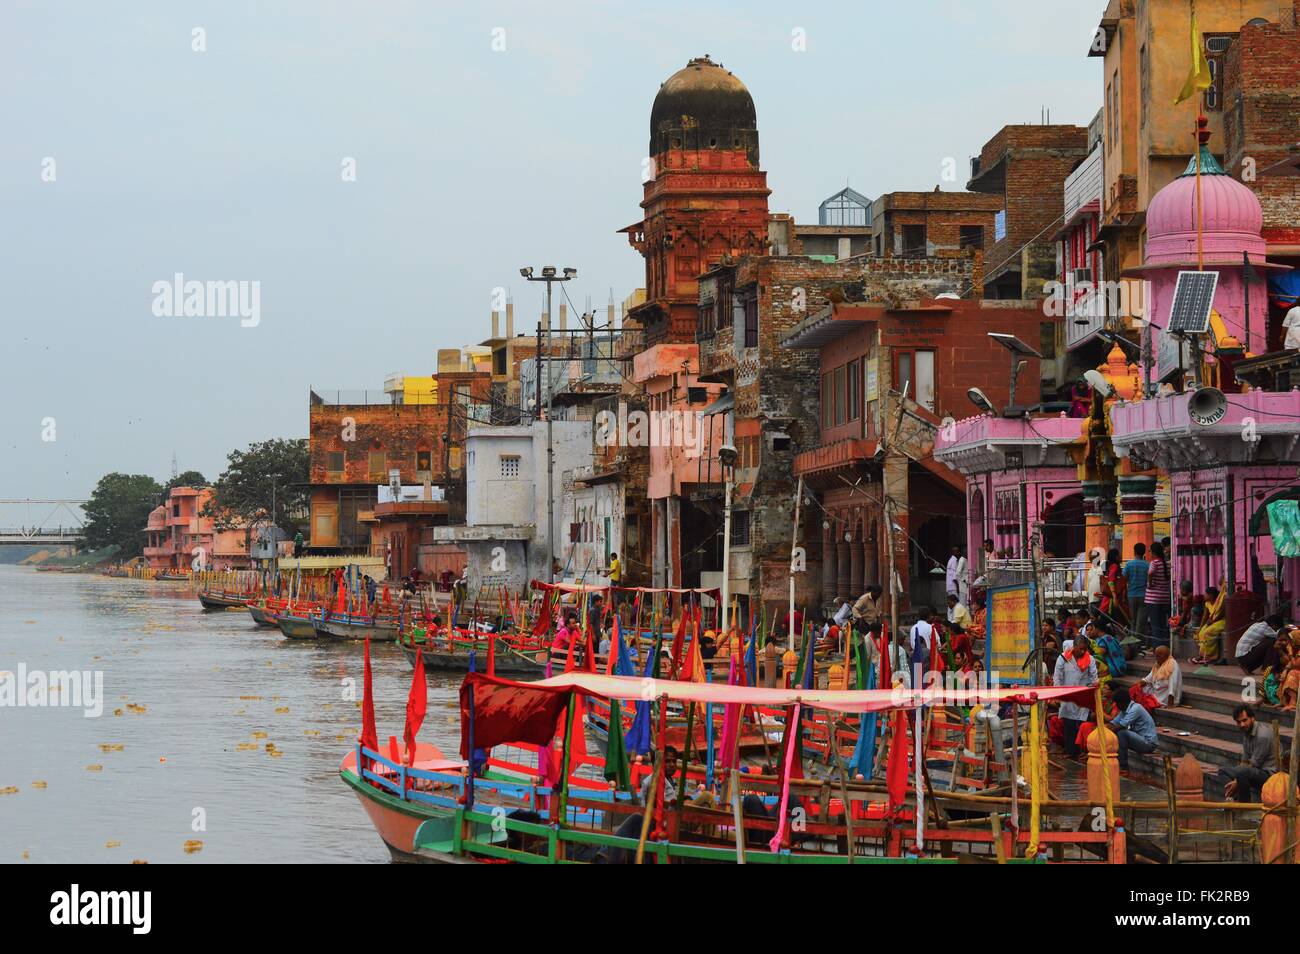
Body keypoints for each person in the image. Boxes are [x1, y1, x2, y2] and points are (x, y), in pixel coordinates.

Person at [1219, 705, 1277, 802]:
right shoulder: (1247, 731)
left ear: (1252, 718)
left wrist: (1237, 780)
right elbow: (1245, 761)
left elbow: (1254, 764)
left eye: (1244, 720)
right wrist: (1236, 780)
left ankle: (1245, 807)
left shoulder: (1263, 735)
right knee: (1223, 771)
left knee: (1242, 773)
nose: (1242, 724)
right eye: (1238, 722)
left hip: (1268, 775)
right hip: (1252, 772)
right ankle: (1232, 798)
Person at [1052, 634, 1098, 757]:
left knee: (1082, 724)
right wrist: (1058, 694)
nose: (1082, 651)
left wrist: (1094, 687)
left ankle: (1084, 752)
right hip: (1067, 696)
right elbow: (1057, 677)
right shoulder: (1063, 658)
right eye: (1080, 649)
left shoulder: (1090, 659)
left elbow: (1094, 677)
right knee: (1068, 725)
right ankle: (1071, 752)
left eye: (1084, 649)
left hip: (1083, 696)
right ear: (1074, 646)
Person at [1109, 687, 1158, 771]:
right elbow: (1113, 723)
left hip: (1148, 743)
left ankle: (1123, 766)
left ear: (1122, 703)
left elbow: (1122, 725)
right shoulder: (1124, 711)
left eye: (1117, 703)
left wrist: (1106, 732)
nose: (1116, 706)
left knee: (1121, 733)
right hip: (1139, 740)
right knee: (1116, 734)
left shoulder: (1136, 708)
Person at [1144, 542, 1172, 649]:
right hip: (1164, 597)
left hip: (1153, 598)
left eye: (1150, 551)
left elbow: (1150, 573)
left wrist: (1150, 584)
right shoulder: (1166, 563)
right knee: (1162, 623)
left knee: (1155, 624)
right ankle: (1165, 645)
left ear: (1153, 552)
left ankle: (1158, 647)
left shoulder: (1154, 563)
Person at [1190, 584, 1227, 665]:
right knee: (1200, 633)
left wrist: (1213, 620)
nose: (1204, 595)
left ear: (1211, 595)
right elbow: (1205, 616)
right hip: (1211, 621)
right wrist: (1200, 628)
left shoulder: (1219, 602)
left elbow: (1221, 614)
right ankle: (1203, 656)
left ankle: (1209, 657)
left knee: (1208, 633)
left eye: (1205, 594)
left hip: (1221, 621)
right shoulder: (1207, 603)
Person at [1123, 543, 1149, 639]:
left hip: (1131, 595)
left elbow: (1124, 579)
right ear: (1144, 552)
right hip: (1144, 595)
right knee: (1141, 621)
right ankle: (1138, 642)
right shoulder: (1147, 565)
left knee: (1133, 620)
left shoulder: (1129, 564)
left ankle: (1134, 642)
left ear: (1134, 552)